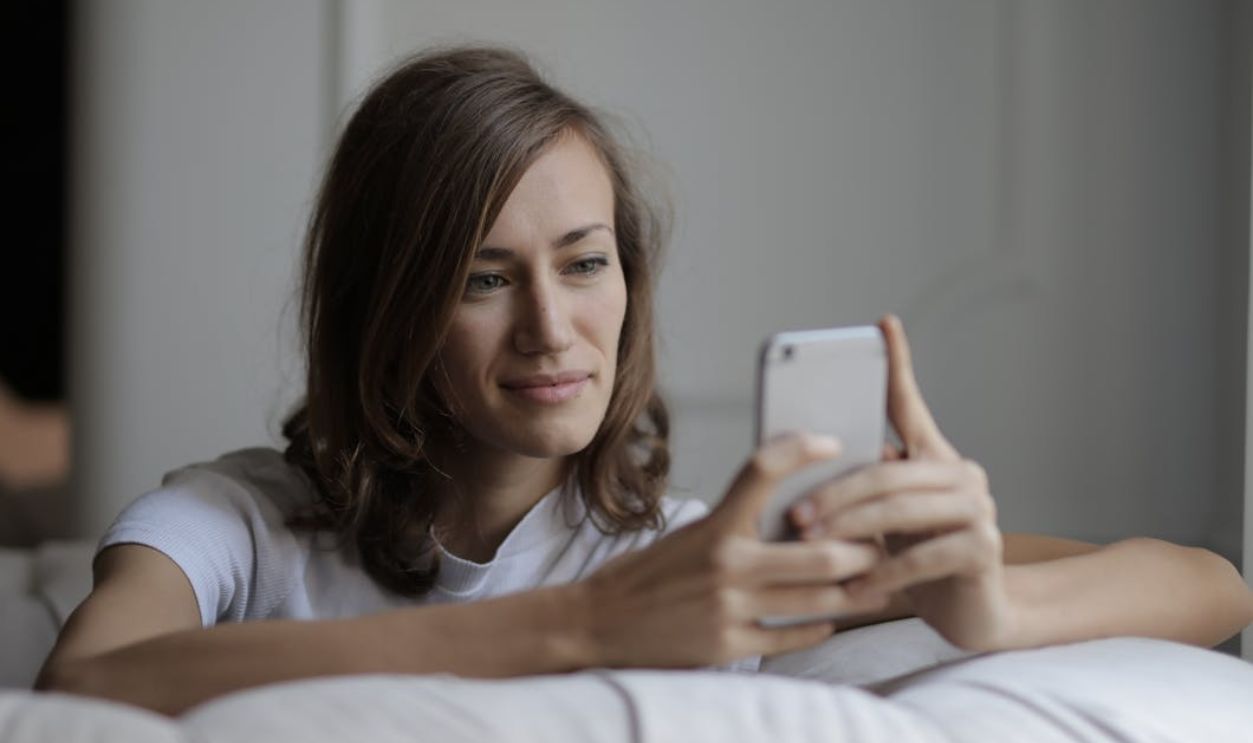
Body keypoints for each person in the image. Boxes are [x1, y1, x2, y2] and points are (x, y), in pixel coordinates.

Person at [35, 46, 1253, 716]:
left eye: (585, 262)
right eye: (480, 277)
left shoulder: (711, 556)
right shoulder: (241, 517)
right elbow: (85, 681)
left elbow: (1207, 584)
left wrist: (989, 603)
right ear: (387, 305)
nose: (553, 328)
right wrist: (581, 629)